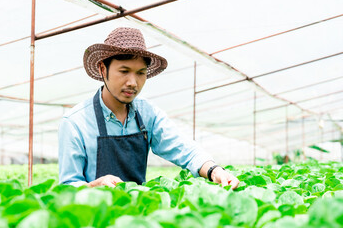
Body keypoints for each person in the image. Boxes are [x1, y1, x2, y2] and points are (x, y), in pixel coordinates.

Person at [58, 27, 239, 189]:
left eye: (140, 73)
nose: (132, 82)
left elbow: (183, 148)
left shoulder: (146, 113)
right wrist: (93, 187)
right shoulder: (75, 123)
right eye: (124, 71)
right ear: (102, 69)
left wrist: (214, 170)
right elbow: (67, 186)